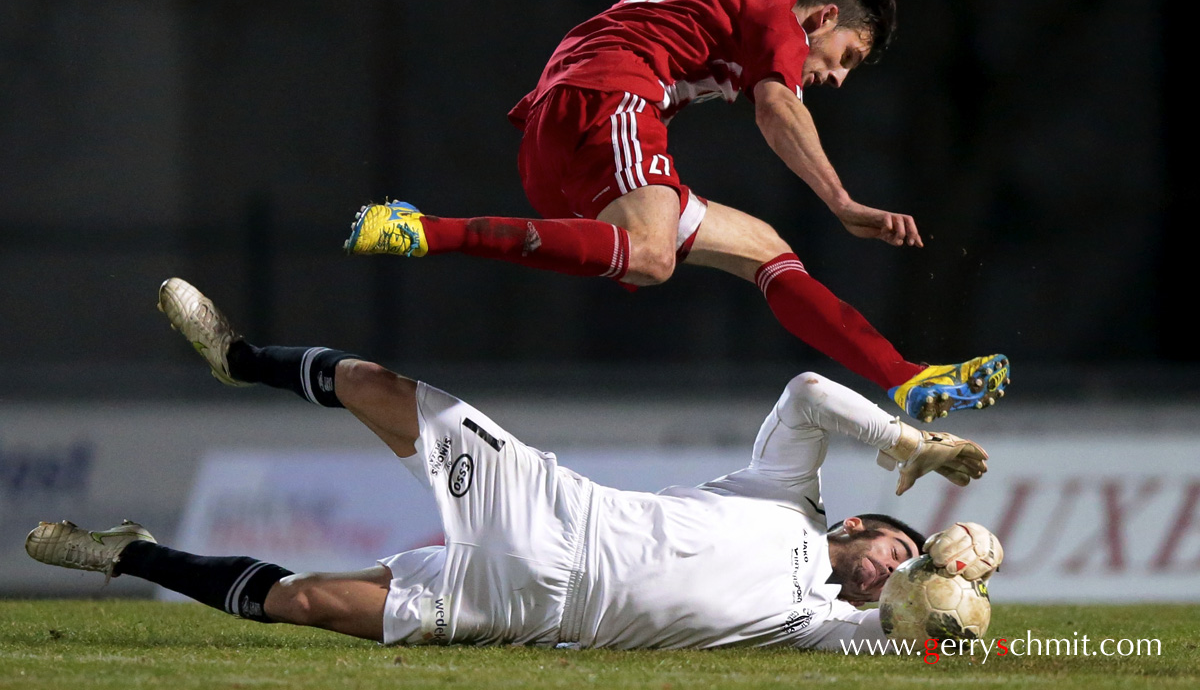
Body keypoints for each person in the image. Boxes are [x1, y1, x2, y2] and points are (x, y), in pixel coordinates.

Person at [26, 278, 1001, 650]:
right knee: (380, 383)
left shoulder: (817, 623)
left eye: (903, 576)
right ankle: (239, 358)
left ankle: (128, 554)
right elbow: (803, 393)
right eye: (898, 552)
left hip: (526, 612)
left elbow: (916, 643)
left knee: (310, 602)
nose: (890, 577)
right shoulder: (784, 496)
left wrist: (955, 595)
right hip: (552, 508)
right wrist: (906, 441)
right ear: (864, 524)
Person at [341, 0, 1010, 424]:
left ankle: (907, 379)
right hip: (613, 96)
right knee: (654, 257)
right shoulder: (780, 11)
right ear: (825, 18)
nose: (836, 76)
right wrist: (841, 201)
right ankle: (422, 228)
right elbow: (777, 108)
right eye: (847, 59)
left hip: (558, 124)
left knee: (765, 250)